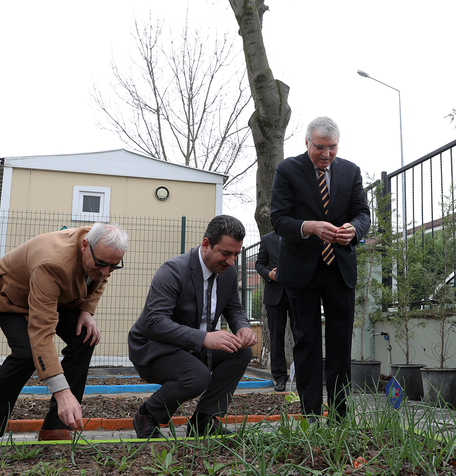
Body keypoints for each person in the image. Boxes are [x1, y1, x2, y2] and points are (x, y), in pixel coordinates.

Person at [0, 223, 128, 443]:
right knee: (26, 353)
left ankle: (55, 427)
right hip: (12, 296)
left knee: (85, 337)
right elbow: (42, 331)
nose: (105, 272)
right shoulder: (53, 263)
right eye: (101, 264)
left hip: (56, 295)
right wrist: (62, 391)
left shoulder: (100, 248)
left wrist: (86, 311)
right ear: (85, 246)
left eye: (113, 266)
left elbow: (100, 280)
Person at [270, 116, 370, 420]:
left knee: (340, 344)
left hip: (339, 269)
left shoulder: (351, 171)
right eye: (320, 148)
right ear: (307, 143)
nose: (326, 154)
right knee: (307, 342)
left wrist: (354, 229)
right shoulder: (288, 170)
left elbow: (363, 214)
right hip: (301, 271)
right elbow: (278, 219)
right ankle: (311, 412)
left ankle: (340, 414)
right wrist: (310, 227)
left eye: (332, 147)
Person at [128, 215, 257, 439]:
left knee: (241, 351)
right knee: (197, 376)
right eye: (226, 253)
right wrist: (204, 338)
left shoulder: (228, 274)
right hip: (155, 348)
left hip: (193, 347)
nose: (231, 261)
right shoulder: (173, 271)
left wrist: (243, 328)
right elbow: (155, 321)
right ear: (206, 244)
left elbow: (234, 309)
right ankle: (147, 415)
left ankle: (204, 420)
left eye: (236, 254)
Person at [255, 231, 295, 392]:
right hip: (274, 295)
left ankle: (304, 373)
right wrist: (269, 274)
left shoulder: (297, 235)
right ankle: (279, 378)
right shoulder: (267, 239)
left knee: (302, 334)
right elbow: (259, 264)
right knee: (276, 337)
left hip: (297, 292)